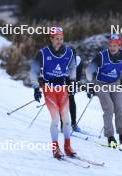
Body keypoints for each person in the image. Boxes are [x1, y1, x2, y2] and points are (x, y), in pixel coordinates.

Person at [30, 27, 77, 158]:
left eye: (61, 39)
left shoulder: (68, 52)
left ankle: (67, 146)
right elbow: (34, 70)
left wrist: (72, 83)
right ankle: (55, 148)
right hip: (49, 88)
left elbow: (73, 68)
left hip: (62, 88)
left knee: (66, 120)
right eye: (57, 39)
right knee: (56, 119)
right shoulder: (43, 53)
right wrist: (35, 88)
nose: (59, 41)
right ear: (51, 39)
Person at [86, 34, 122, 148]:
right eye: (110, 45)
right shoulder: (102, 56)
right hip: (101, 83)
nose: (112, 48)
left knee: (119, 109)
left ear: (119, 45)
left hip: (115, 83)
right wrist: (90, 84)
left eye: (115, 45)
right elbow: (89, 70)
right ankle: (110, 137)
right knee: (109, 108)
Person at [61, 56, 83, 132]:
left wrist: (75, 85)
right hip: (62, 79)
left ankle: (73, 123)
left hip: (72, 79)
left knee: (71, 99)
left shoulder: (78, 61)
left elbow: (78, 76)